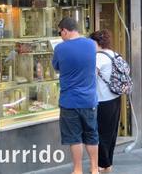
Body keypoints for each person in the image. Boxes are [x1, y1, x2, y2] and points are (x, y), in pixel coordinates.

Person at [52, 17, 99, 174]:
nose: (61, 36)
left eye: (60, 33)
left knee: (74, 137)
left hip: (69, 101)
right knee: (92, 135)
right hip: (89, 100)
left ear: (65, 30)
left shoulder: (60, 48)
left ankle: (78, 170)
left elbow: (56, 67)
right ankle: (94, 168)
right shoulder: (92, 45)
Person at [89, 29, 121, 173]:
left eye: (92, 43)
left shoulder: (98, 57)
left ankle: (104, 165)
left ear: (97, 43)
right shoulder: (114, 54)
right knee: (111, 133)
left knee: (100, 134)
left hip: (103, 101)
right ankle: (107, 163)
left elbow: (90, 77)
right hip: (115, 98)